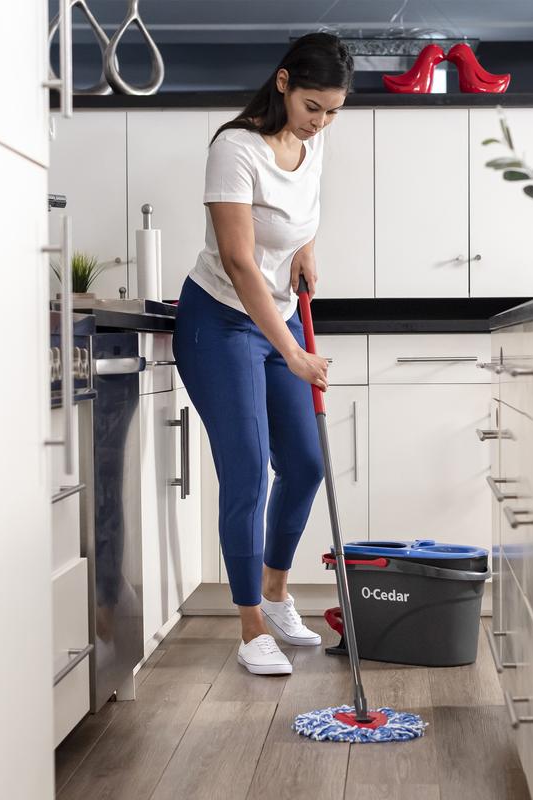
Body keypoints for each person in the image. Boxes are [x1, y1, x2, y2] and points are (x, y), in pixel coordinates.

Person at [172, 32, 353, 676]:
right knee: (249, 473)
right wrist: (296, 354)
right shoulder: (234, 149)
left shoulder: (313, 139)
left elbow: (299, 212)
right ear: (283, 83)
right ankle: (250, 626)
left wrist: (306, 247)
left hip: (278, 315)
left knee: (304, 465)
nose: (321, 121)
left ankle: (276, 595)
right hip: (220, 322)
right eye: (313, 106)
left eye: (332, 110)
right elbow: (241, 262)